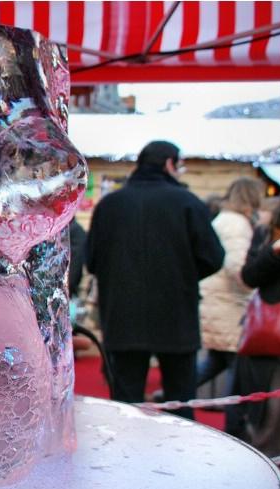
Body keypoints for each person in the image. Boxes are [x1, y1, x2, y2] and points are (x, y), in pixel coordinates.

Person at [85, 140, 224, 420]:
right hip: (176, 315)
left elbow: (93, 261)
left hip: (122, 316)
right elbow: (213, 257)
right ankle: (180, 461)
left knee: (125, 405)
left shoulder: (109, 205)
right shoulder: (187, 203)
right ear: (170, 164)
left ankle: (127, 460)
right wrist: (181, 275)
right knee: (180, 402)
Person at [231, 192, 280, 458]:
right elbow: (249, 276)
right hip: (274, 338)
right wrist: (277, 250)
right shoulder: (269, 232)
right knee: (272, 418)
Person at [197, 178, 263, 393]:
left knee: (217, 362)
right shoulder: (237, 225)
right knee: (236, 372)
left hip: (218, 299)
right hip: (229, 303)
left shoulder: (225, 219)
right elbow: (238, 267)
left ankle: (172, 394)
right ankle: (234, 424)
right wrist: (253, 285)